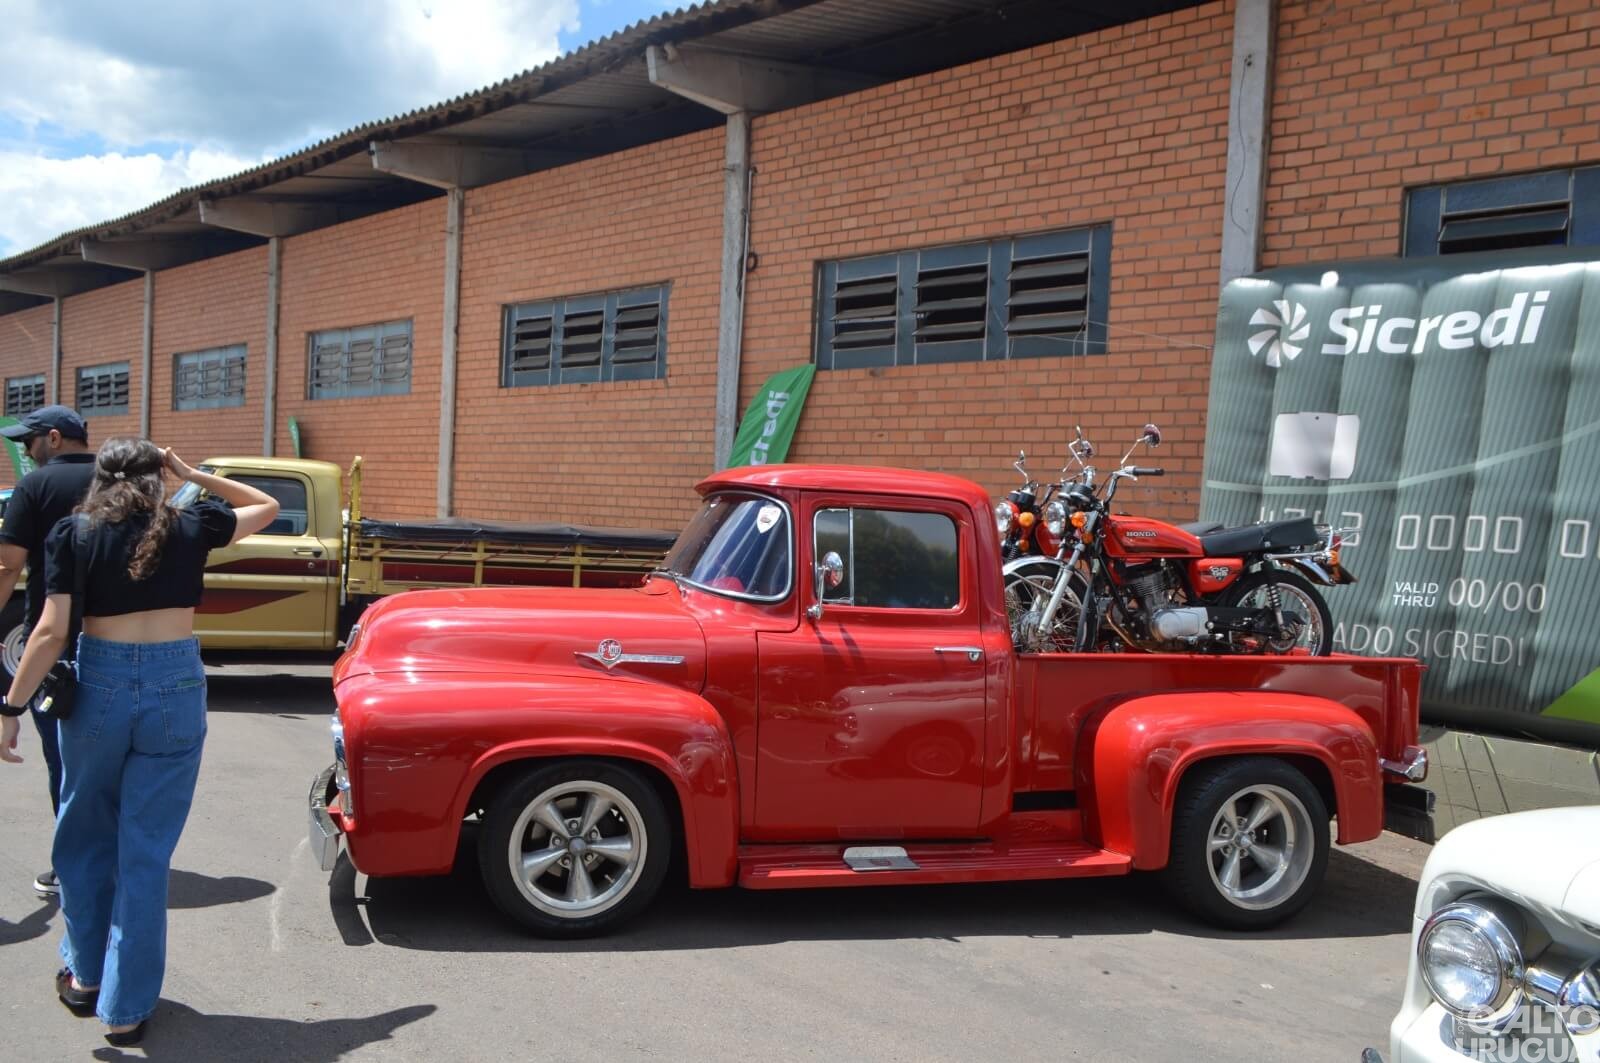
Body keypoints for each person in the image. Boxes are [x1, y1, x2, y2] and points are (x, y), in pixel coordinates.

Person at [0, 439, 278, 1046]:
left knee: (83, 832)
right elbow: (266, 505)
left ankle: (85, 975)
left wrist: (11, 707)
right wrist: (193, 472)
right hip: (175, 684)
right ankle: (126, 1009)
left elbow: (49, 631)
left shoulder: (74, 532)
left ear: (99, 478)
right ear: (158, 477)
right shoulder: (192, 524)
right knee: (145, 852)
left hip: (99, 683)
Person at [0, 405, 97, 897]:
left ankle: (76, 865)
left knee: (63, 757)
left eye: (28, 441)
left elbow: (7, 566)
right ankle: (110, 857)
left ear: (54, 439)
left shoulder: (35, 487)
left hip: (55, 639)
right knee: (111, 759)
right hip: (120, 638)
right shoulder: (119, 481)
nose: (25, 449)